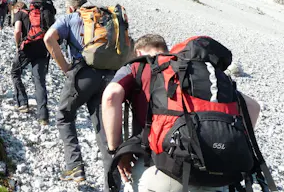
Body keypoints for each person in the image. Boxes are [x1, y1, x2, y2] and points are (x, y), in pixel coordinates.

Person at [101, 34, 263, 192]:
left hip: (162, 170)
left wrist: (116, 151)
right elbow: (253, 107)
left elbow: (111, 96)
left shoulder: (138, 66)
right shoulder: (196, 72)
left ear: (138, 52)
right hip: (217, 175)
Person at [44, 0, 120, 190]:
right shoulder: (106, 18)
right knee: (105, 133)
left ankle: (75, 165)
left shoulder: (69, 18)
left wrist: (66, 68)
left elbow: (48, 38)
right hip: (110, 76)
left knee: (64, 114)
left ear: (71, 8)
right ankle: (112, 186)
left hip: (83, 74)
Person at [11, 0, 55, 125]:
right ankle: (43, 117)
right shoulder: (45, 15)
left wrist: (18, 45)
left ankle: (23, 103)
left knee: (15, 72)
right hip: (42, 49)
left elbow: (17, 31)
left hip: (27, 48)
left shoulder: (21, 13)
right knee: (39, 82)